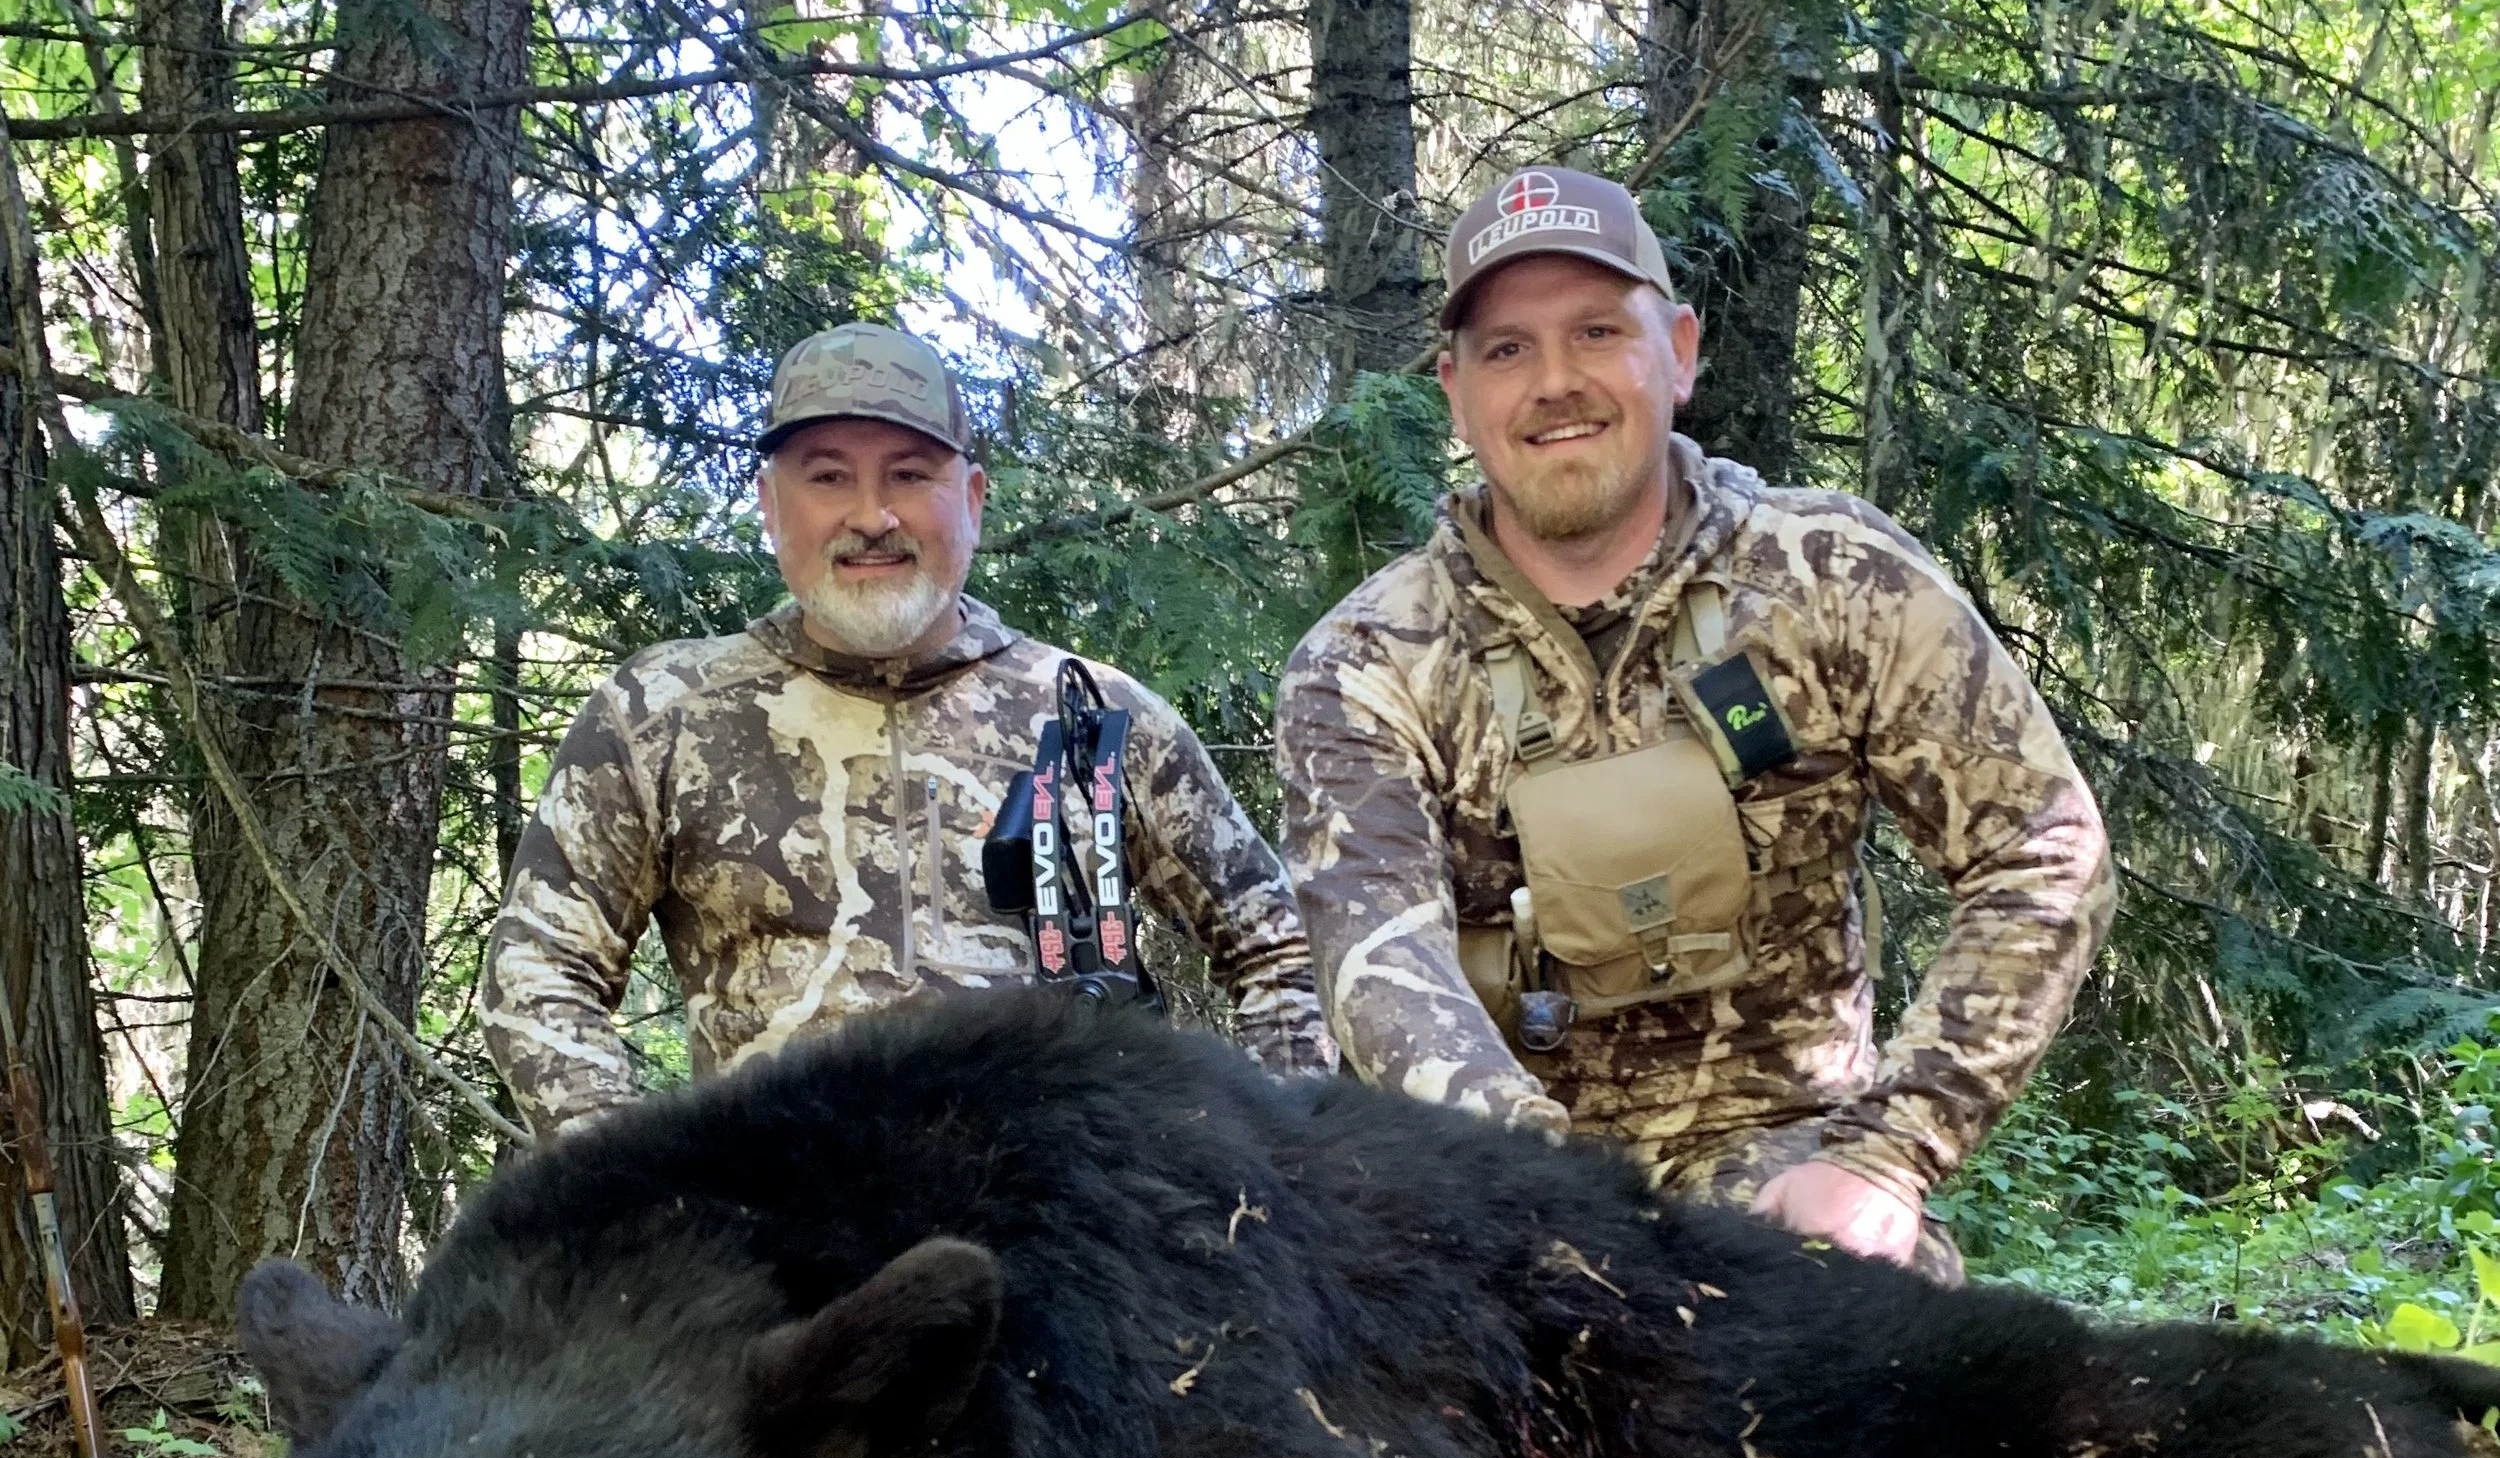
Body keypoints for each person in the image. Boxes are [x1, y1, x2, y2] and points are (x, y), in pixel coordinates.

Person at [1275, 169, 2114, 1280]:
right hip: (1491, 1186)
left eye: (1595, 331)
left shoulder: (1834, 581)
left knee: (1874, 1345)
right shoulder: (1364, 665)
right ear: (1455, 389)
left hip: (1779, 1168)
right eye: (1507, 350)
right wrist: (1564, 1207)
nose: (1555, 383)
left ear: (1678, 349)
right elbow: (1377, 961)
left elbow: (2042, 851)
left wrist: (1886, 1154)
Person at [483, 324, 1326, 1132]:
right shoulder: (662, 711)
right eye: (827, 478)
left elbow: (1285, 949)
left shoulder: (1096, 718)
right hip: (782, 1243)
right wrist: (656, 1200)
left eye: (910, 475)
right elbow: (539, 972)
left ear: (971, 498)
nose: (872, 514)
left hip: (1063, 1234)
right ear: (771, 506)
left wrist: (1249, 1172)